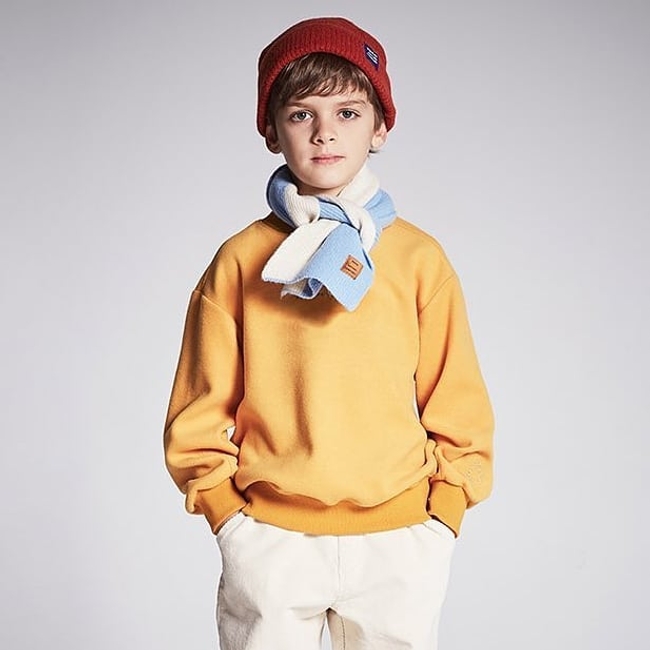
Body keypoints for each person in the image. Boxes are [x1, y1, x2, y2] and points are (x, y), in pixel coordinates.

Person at [164, 16, 494, 650]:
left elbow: (458, 401)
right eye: (301, 114)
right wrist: (230, 519)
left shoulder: (419, 259)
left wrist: (444, 514)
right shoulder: (240, 261)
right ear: (271, 130)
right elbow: (198, 409)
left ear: (381, 126)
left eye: (347, 112)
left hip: (401, 538)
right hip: (271, 538)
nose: (325, 133)